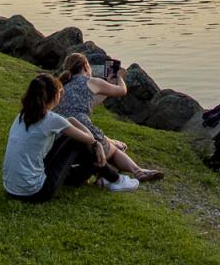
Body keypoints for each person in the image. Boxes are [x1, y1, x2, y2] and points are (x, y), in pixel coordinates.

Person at [2, 72, 135, 201]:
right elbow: (88, 138)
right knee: (76, 141)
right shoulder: (51, 119)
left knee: (70, 138)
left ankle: (102, 176)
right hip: (37, 191)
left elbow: (64, 126)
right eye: (60, 92)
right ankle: (115, 179)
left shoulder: (23, 115)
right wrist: (96, 143)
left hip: (11, 189)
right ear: (54, 96)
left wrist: (71, 120)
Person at [58, 53, 164, 183]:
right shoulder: (92, 81)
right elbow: (122, 91)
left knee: (106, 142)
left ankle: (111, 155)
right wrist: (120, 78)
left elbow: (90, 103)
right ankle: (138, 171)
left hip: (61, 134)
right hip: (82, 130)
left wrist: (108, 83)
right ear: (86, 67)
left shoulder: (62, 85)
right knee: (113, 151)